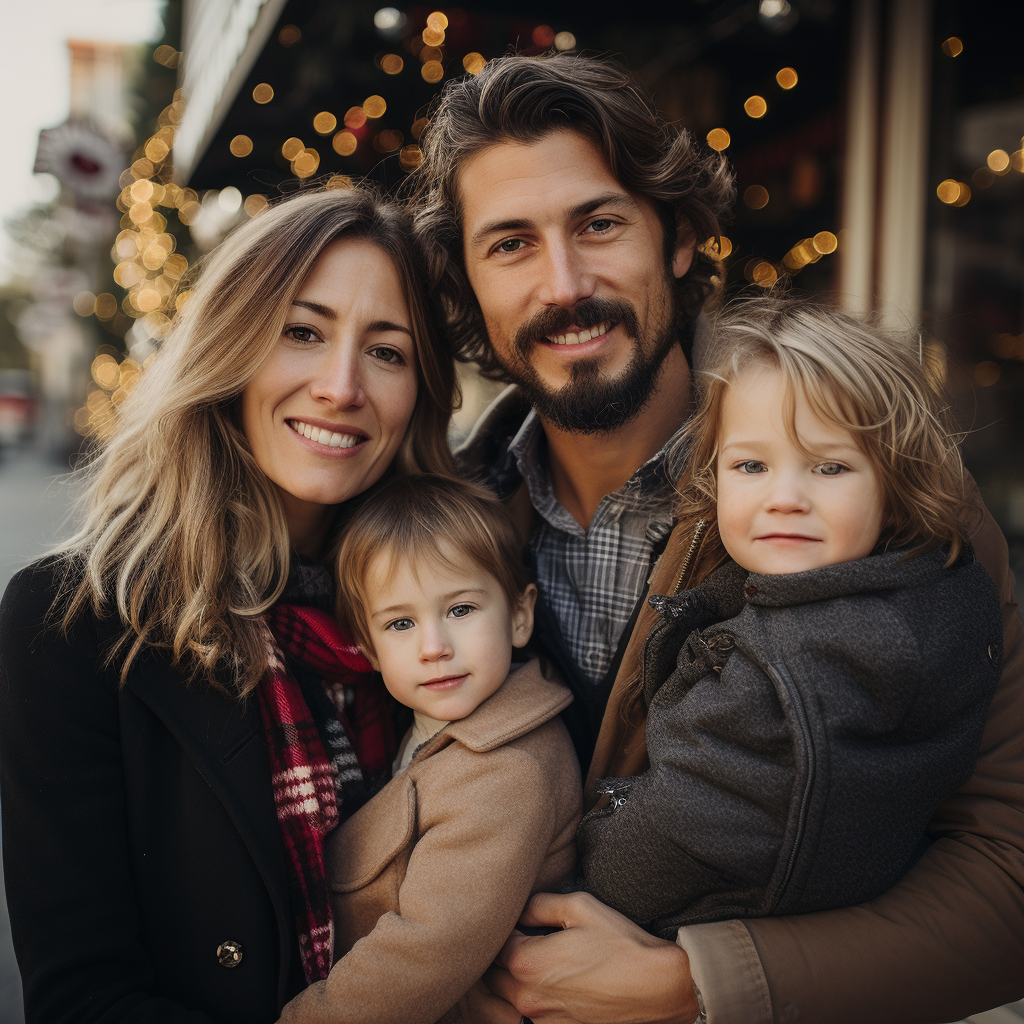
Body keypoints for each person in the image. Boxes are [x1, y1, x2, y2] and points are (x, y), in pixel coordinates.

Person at [410, 52, 1024, 1024]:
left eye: (599, 224)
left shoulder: (889, 497)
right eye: (510, 245)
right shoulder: (433, 528)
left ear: (681, 238)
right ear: (469, 285)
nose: (564, 283)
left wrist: (702, 984)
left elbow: (1007, 872)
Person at [0, 186, 457, 1023]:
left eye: (387, 352)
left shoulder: (454, 607)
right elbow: (85, 998)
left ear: (420, 391)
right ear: (231, 345)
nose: (341, 385)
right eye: (303, 332)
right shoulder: (73, 622)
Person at [578, 297, 1001, 933]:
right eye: (752, 465)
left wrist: (592, 840)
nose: (785, 499)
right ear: (715, 476)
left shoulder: (792, 677)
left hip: (696, 925)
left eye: (829, 467)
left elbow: (665, 848)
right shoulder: (934, 590)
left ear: (893, 488)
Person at [278, 474, 581, 1024]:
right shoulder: (409, 728)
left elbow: (422, 954)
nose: (434, 647)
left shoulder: (509, 771)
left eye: (461, 610)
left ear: (518, 615)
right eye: (400, 623)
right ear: (367, 647)